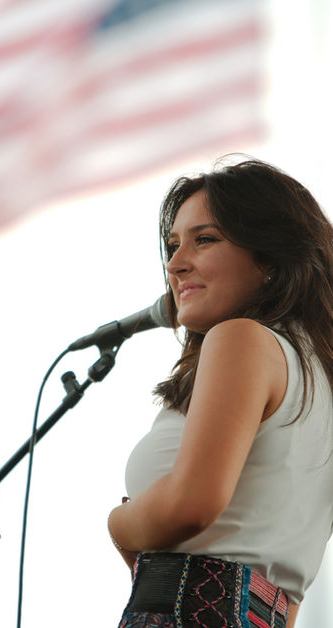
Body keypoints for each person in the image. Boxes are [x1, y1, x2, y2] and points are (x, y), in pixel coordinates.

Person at [107, 156, 333, 628]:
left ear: (269, 256)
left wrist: (119, 524)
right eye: (173, 245)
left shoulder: (242, 339)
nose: (175, 264)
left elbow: (191, 504)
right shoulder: (317, 379)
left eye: (204, 239)